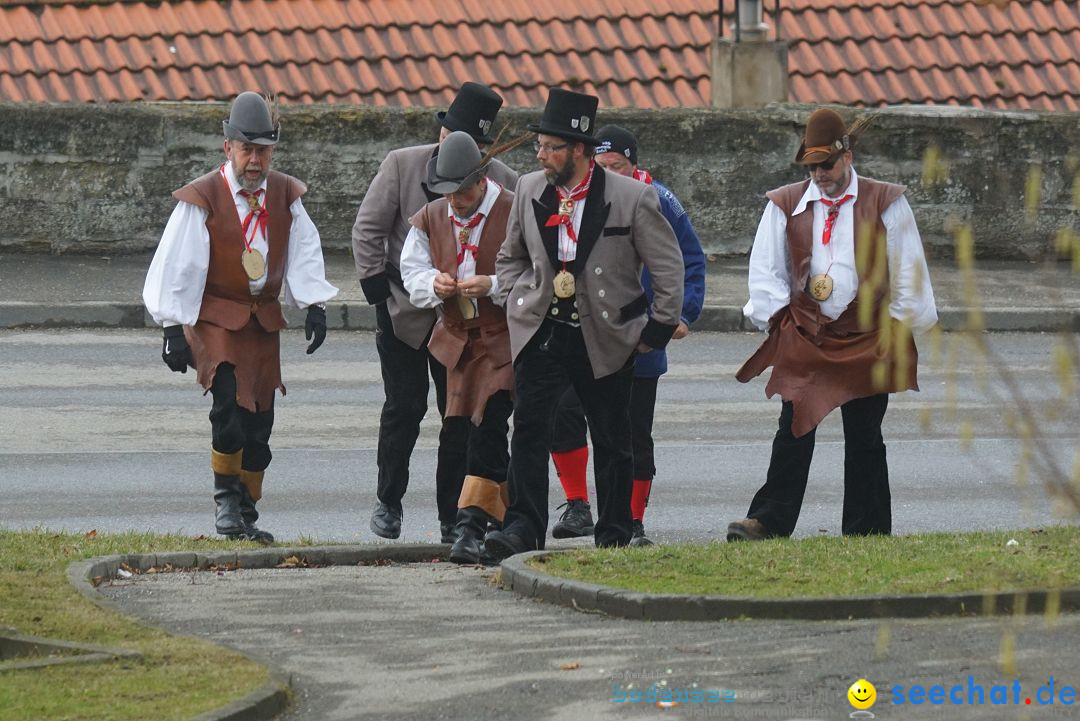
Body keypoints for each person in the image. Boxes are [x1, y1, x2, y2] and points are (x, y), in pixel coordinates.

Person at [484, 88, 685, 559]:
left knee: (613, 437)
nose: (541, 156)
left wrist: (655, 331)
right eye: (540, 147)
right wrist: (518, 297)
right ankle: (522, 529)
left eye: (550, 147)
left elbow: (668, 266)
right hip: (542, 329)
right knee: (530, 431)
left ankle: (614, 532)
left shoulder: (633, 196)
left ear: (578, 149)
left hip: (607, 334)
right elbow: (509, 256)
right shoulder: (530, 190)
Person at [727, 107, 938, 541]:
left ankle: (867, 530)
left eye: (825, 164)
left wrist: (895, 328)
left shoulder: (886, 202)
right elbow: (767, 270)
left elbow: (908, 271)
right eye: (811, 166)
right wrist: (781, 323)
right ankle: (767, 521)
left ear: (848, 157)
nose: (818, 173)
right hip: (807, 334)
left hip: (868, 337)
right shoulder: (785, 203)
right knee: (793, 430)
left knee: (865, 437)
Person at [143, 91, 338, 544]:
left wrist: (314, 305)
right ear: (226, 147)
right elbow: (179, 262)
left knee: (261, 424)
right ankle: (226, 503)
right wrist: (173, 327)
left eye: (263, 150)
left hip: (262, 320)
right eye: (246, 149)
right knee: (228, 407)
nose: (255, 160)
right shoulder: (203, 197)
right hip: (215, 316)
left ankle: (248, 509)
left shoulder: (286, 193)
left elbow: (305, 249)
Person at [352, 82, 519, 542]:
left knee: (459, 417)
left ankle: (455, 516)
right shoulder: (401, 164)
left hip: (466, 326)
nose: (455, 146)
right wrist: (378, 298)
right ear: (441, 131)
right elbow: (367, 229)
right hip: (404, 310)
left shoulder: (508, 183)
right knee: (404, 407)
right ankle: (388, 499)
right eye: (451, 135)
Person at [547, 125, 706, 547]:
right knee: (562, 414)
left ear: (633, 164)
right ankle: (578, 504)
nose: (606, 172)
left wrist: (683, 314)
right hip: (581, 330)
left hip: (639, 334)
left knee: (634, 432)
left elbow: (690, 259)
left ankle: (633, 522)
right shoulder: (573, 196)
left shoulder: (659, 199)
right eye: (600, 165)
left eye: (615, 165)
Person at [400, 131, 520, 563]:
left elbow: (533, 268)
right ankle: (493, 518)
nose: (455, 201)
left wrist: (493, 284)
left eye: (463, 191)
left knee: (488, 427)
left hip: (501, 339)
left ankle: (471, 525)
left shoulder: (512, 208)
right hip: (455, 339)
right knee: (457, 431)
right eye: (447, 193)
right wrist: (433, 283)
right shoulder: (430, 216)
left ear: (482, 178)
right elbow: (411, 269)